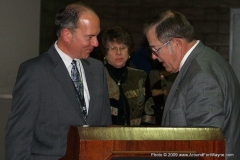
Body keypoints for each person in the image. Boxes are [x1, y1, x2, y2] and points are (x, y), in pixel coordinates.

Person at [5, 2, 111, 159]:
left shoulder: (97, 69)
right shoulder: (35, 72)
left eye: (97, 36)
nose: (96, 43)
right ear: (67, 34)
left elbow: (104, 127)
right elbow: (19, 136)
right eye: (90, 37)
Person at [144, 10, 240, 159]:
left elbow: (205, 148)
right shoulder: (203, 62)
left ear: (176, 43)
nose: (154, 56)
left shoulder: (201, 75)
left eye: (156, 49)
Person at [99, 25, 155, 125]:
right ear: (105, 52)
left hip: (137, 137)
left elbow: (149, 114)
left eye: (123, 48)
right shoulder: (97, 76)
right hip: (105, 137)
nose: (119, 52)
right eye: (113, 48)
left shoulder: (140, 76)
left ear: (129, 51)